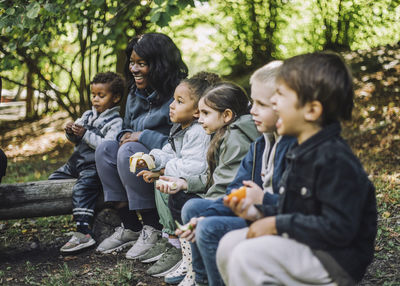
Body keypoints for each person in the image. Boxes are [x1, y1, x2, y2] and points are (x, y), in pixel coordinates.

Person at [216, 52, 377, 286]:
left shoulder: (334, 158)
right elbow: (296, 208)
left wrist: (275, 224)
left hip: (335, 260)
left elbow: (339, 228)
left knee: (247, 256)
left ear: (311, 111)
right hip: (308, 244)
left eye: (280, 96)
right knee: (229, 245)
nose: (274, 103)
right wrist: (259, 212)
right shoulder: (299, 150)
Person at [175, 62, 296, 286]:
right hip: (257, 211)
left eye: (260, 104)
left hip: (275, 218)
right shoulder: (260, 145)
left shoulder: (293, 147)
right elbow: (234, 189)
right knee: (194, 209)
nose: (252, 111)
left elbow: (298, 205)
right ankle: (201, 279)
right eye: (253, 102)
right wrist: (209, 212)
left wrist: (260, 202)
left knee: (208, 228)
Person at [95, 33, 188, 257]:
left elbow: (181, 143)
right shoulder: (135, 93)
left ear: (159, 65)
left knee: (129, 151)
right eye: (132, 63)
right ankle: (130, 226)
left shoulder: (180, 95)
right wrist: (124, 136)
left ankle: (153, 226)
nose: (134, 69)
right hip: (136, 158)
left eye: (142, 64)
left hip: (166, 161)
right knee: (105, 149)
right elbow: (126, 127)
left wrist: (142, 136)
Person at [160, 81, 260, 286]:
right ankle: (197, 271)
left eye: (205, 113)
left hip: (238, 203)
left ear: (227, 116)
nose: (199, 118)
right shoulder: (224, 133)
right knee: (184, 200)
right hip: (229, 198)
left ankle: (199, 274)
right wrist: (185, 183)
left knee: (191, 207)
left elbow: (225, 186)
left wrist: (205, 212)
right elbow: (216, 178)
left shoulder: (236, 139)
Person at [135, 72, 219, 278]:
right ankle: (169, 236)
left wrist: (162, 171)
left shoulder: (199, 132)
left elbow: (193, 167)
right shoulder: (181, 128)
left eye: (179, 101)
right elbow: (170, 152)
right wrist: (152, 160)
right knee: (161, 179)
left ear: (198, 111)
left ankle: (177, 244)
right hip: (186, 181)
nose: (172, 105)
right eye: (173, 99)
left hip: (200, 188)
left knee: (165, 181)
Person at [49, 72, 124, 253]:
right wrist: (70, 132)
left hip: (93, 166)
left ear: (116, 97)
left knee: (83, 188)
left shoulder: (115, 121)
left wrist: (85, 134)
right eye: (93, 95)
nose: (95, 100)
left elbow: (107, 147)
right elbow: (75, 140)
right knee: (52, 181)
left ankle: (83, 232)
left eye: (101, 95)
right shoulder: (87, 115)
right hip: (76, 162)